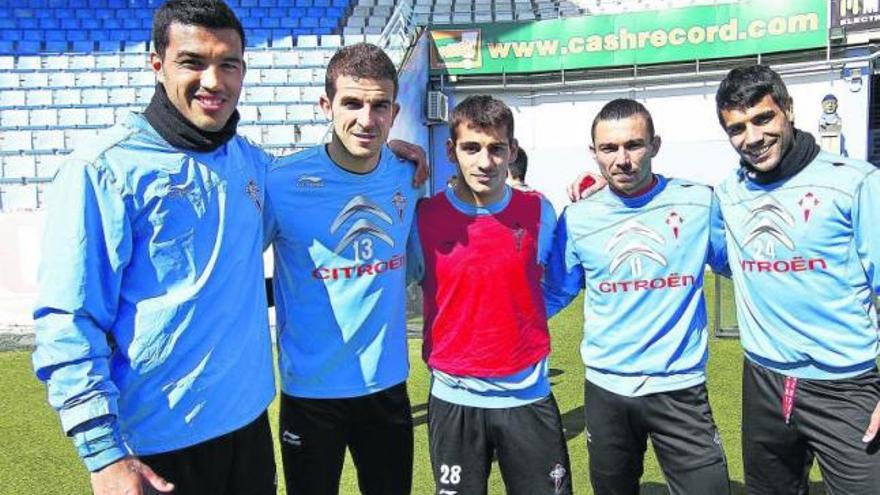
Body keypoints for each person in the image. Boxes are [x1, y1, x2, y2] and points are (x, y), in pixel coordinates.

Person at [32, 1, 276, 493]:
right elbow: (68, 321)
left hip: (249, 428)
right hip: (156, 447)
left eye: (228, 63)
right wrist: (104, 456)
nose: (213, 80)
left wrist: (385, 156)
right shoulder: (102, 170)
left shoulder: (251, 163)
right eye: (193, 62)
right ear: (157, 64)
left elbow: (320, 187)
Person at [544, 98, 731, 495]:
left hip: (679, 386)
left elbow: (741, 266)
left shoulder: (699, 202)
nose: (622, 159)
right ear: (594, 153)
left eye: (634, 145)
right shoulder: (578, 218)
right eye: (609, 149)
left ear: (656, 145)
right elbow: (554, 293)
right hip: (607, 390)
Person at [714, 64, 880, 494]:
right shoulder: (729, 194)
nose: (752, 138)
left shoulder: (856, 183)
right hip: (764, 382)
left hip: (846, 385)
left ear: (787, 109)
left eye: (763, 118)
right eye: (737, 129)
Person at [264, 43, 419, 495]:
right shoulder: (281, 182)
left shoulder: (409, 173)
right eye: (352, 103)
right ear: (326, 105)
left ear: (394, 111)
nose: (366, 119)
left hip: (386, 386)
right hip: (310, 394)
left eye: (379, 105)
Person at [410, 95, 572, 495]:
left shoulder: (539, 211)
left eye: (496, 148)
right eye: (471, 148)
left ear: (512, 151)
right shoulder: (424, 217)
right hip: (454, 398)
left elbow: (558, 283)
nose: (485, 162)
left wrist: (521, 318)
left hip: (527, 394)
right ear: (451, 150)